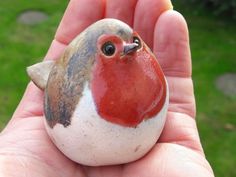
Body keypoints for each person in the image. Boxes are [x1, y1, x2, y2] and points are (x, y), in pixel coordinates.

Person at [0, 0, 215, 176]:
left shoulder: (152, 74)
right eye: (110, 48)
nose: (130, 47)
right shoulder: (79, 100)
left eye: (135, 42)